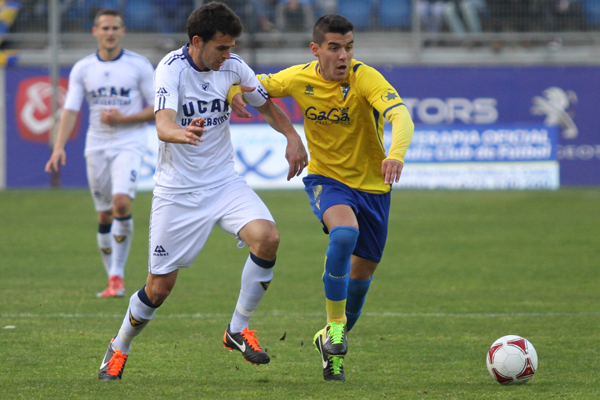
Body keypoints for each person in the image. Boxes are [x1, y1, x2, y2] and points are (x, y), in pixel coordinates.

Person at [97, 1, 308, 381]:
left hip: (224, 182)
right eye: (222, 48)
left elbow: (267, 105)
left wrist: (293, 137)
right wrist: (183, 132)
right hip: (177, 193)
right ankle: (120, 345)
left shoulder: (233, 67)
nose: (230, 55)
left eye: (231, 48)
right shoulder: (170, 69)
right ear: (197, 41)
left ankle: (237, 329)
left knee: (267, 238)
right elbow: (163, 125)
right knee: (159, 289)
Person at [229, 14, 414, 381]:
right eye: (334, 48)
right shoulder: (299, 77)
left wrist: (396, 154)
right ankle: (334, 328)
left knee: (359, 288)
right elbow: (247, 83)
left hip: (374, 189)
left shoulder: (366, 78)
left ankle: (328, 343)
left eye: (348, 47)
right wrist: (235, 94)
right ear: (316, 50)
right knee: (344, 234)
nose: (343, 55)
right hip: (327, 180)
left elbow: (401, 116)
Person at [45, 8, 155, 298]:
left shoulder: (138, 65)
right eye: (104, 28)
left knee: (121, 203)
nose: (109, 33)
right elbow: (69, 110)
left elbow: (159, 107)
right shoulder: (83, 68)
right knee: (104, 215)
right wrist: (58, 147)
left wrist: (124, 120)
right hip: (96, 144)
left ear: (122, 32)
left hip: (129, 142)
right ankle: (111, 279)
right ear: (95, 31)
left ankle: (117, 276)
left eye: (114, 28)